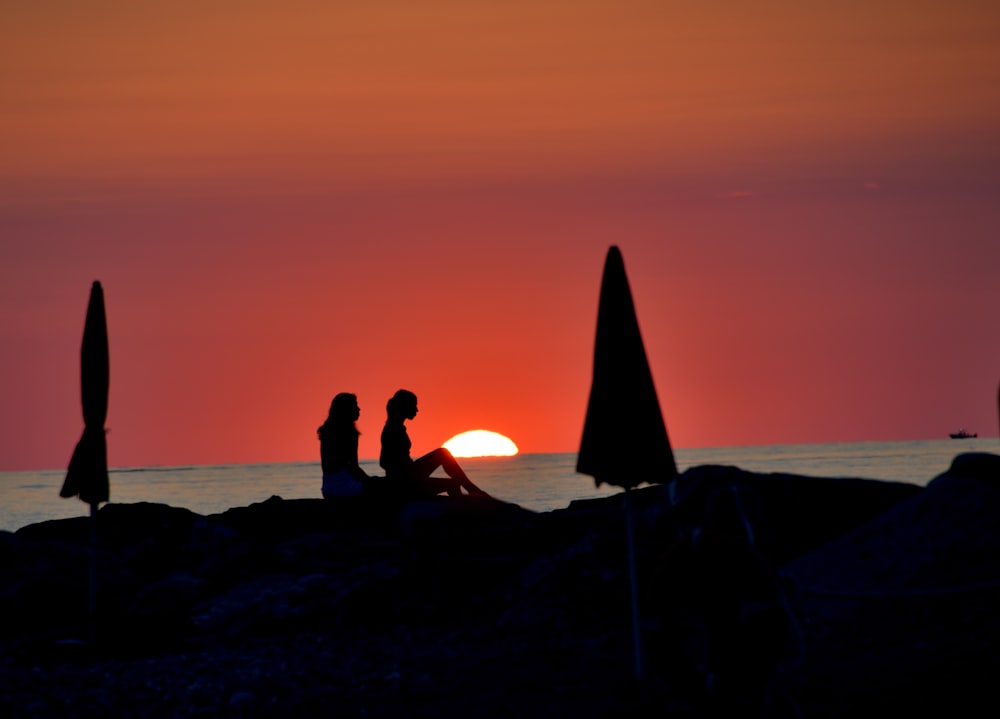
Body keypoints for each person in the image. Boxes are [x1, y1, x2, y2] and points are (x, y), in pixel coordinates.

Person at [379, 389, 488, 497]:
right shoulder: (392, 429)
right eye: (414, 405)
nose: (417, 410)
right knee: (443, 454)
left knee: (451, 476)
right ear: (404, 406)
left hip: (409, 476)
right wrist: (402, 473)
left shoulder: (397, 427)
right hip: (405, 482)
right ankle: (471, 493)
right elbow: (383, 461)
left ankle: (471, 492)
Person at [317, 392, 371, 498]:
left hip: (327, 488)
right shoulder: (350, 433)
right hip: (346, 487)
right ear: (346, 410)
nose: (359, 409)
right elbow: (354, 468)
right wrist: (371, 481)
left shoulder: (327, 431)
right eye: (355, 405)